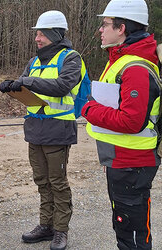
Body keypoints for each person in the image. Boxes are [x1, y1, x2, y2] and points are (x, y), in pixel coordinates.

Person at [0, 10, 88, 250]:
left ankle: (61, 230)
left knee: (57, 182)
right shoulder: (35, 61)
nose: (37, 38)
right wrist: (11, 86)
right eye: (37, 34)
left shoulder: (71, 58)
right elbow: (25, 84)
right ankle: (45, 225)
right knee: (42, 180)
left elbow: (62, 86)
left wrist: (25, 82)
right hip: (35, 130)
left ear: (55, 35)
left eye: (42, 34)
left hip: (58, 130)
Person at [81, 0, 160, 249]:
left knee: (132, 235)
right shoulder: (120, 59)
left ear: (122, 28)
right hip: (121, 160)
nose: (100, 30)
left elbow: (131, 121)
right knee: (124, 227)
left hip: (132, 164)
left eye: (105, 24)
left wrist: (88, 108)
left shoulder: (134, 66)